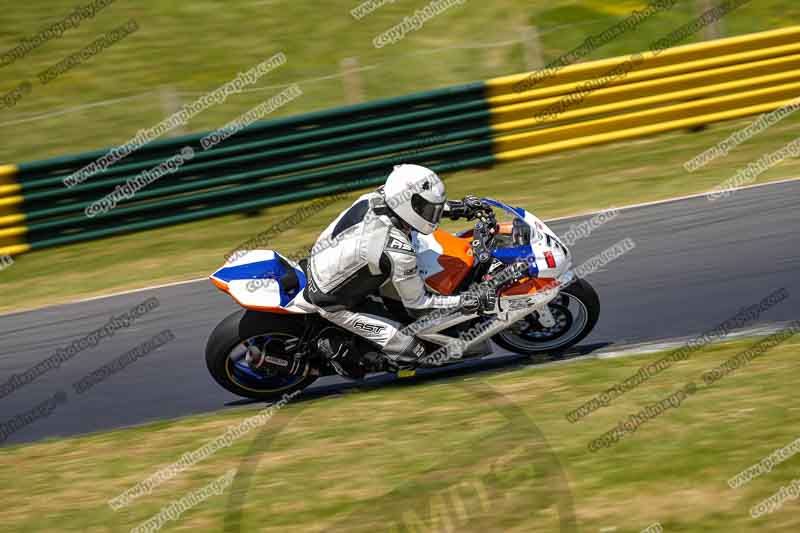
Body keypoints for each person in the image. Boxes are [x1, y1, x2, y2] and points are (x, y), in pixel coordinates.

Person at [304, 163, 497, 369]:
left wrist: (458, 208)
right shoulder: (397, 250)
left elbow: (417, 208)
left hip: (328, 262)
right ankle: (357, 358)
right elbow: (419, 306)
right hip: (334, 302)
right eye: (429, 209)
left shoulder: (380, 196)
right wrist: (468, 300)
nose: (432, 214)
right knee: (416, 352)